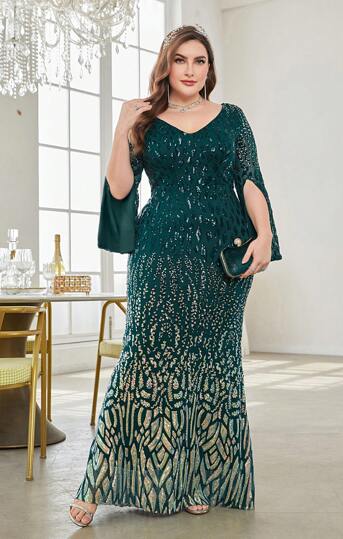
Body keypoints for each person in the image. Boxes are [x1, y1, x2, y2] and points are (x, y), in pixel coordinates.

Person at [69, 23, 282, 527]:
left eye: (199, 61)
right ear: (166, 66)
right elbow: (120, 189)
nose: (190, 70)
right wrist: (122, 126)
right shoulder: (144, 120)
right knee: (143, 362)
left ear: (209, 68)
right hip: (159, 251)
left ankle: (195, 479)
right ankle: (95, 484)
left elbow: (250, 180)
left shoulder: (232, 118)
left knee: (211, 366)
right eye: (181, 60)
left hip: (221, 257)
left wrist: (265, 234)